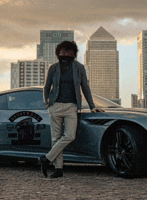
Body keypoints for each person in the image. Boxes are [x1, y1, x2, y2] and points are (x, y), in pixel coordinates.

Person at [39, 41, 104, 178]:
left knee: (70, 136)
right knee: (55, 138)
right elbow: (46, 87)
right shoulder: (53, 68)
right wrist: (47, 104)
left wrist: (92, 106)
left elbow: (85, 87)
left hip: (71, 107)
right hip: (55, 106)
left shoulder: (79, 68)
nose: (66, 54)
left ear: (74, 53)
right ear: (58, 53)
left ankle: (46, 158)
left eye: (69, 52)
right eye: (63, 51)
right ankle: (58, 169)